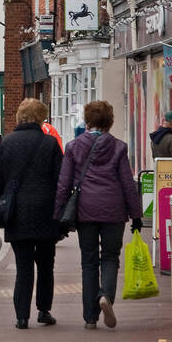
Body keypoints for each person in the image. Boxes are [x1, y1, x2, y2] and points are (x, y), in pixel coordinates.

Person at [55, 100, 143, 330]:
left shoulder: (74, 147)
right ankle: (105, 296)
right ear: (109, 121)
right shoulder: (119, 147)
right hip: (114, 211)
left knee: (89, 262)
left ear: (88, 120)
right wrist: (136, 215)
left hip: (85, 211)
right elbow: (127, 183)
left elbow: (64, 184)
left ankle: (90, 317)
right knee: (111, 258)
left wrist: (58, 215)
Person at [0, 99, 63, 329]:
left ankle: (22, 316)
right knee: (45, 264)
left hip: (17, 212)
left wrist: (0, 204)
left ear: (20, 116)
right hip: (45, 211)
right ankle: (44, 310)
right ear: (41, 117)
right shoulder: (50, 143)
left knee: (23, 267)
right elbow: (60, 180)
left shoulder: (8, 143)